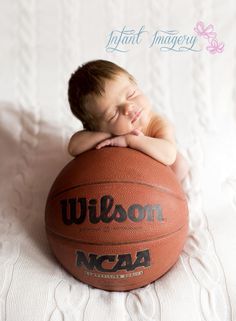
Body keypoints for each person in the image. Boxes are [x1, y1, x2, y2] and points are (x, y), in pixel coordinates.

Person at [67, 59, 189, 182]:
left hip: (154, 176)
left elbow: (169, 154)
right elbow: (73, 147)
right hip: (121, 177)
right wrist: (111, 135)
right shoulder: (108, 132)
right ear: (96, 128)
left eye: (131, 94)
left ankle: (170, 192)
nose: (128, 108)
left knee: (180, 165)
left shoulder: (156, 123)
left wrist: (130, 140)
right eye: (113, 114)